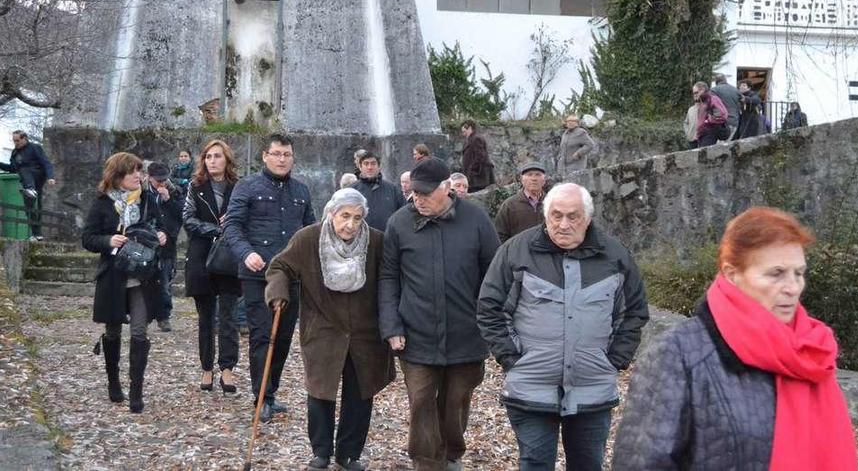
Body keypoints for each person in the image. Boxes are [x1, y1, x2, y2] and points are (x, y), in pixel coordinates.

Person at [612, 207, 858, 470]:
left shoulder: (812, 351)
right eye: (776, 273)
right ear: (732, 275)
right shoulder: (679, 353)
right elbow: (641, 463)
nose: (793, 287)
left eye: (798, 273)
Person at [478, 183, 649, 471]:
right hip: (531, 386)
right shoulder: (516, 252)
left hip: (592, 388)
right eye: (556, 216)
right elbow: (490, 308)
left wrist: (615, 359)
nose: (564, 224)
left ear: (588, 218)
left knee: (587, 464)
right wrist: (512, 358)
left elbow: (633, 312)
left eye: (573, 216)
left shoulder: (615, 256)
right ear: (546, 217)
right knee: (535, 463)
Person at [379, 157, 500, 471]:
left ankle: (451, 454)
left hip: (466, 333)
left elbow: (495, 275)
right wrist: (391, 325)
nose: (418, 199)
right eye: (415, 193)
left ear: (447, 188)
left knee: (456, 399)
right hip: (416, 332)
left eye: (426, 193)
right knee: (421, 401)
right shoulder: (399, 223)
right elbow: (388, 277)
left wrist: (488, 322)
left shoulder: (476, 220)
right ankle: (427, 462)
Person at [265, 188, 395, 471]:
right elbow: (280, 267)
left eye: (357, 218)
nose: (350, 224)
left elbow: (391, 277)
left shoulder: (376, 242)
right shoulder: (308, 239)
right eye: (344, 216)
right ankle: (321, 452)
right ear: (331, 214)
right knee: (321, 391)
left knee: (360, 394)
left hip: (365, 332)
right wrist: (278, 293)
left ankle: (349, 454)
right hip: (323, 328)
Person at [225, 133, 316, 422]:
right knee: (263, 336)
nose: (282, 159)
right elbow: (232, 227)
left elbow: (310, 231)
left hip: (292, 277)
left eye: (286, 154)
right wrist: (245, 253)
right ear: (265, 155)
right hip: (257, 275)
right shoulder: (246, 186)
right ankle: (260, 396)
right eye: (276, 153)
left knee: (285, 337)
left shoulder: (301, 191)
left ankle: (271, 391)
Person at [82, 152, 168, 413]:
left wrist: (161, 236)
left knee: (140, 332)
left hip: (143, 276)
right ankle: (113, 382)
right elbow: (88, 238)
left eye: (139, 171)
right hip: (113, 276)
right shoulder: (102, 204)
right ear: (117, 175)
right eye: (132, 172)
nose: (137, 176)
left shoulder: (146, 201)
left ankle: (136, 391)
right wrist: (109, 241)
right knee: (113, 331)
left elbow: (160, 227)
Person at [183, 140, 241, 394]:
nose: (212, 161)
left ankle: (227, 369)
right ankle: (207, 367)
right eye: (208, 156)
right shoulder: (196, 187)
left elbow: (247, 217)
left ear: (226, 160)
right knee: (205, 318)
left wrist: (233, 222)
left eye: (217, 156)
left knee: (228, 317)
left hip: (229, 257)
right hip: (201, 256)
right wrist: (216, 229)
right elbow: (188, 219)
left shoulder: (238, 188)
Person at [144, 162, 183, 332]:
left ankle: (164, 316)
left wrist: (168, 200)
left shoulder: (175, 191)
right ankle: (144, 315)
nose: (161, 183)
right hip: (146, 242)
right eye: (157, 180)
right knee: (145, 281)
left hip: (168, 243)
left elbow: (182, 214)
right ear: (149, 178)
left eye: (164, 180)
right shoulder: (142, 193)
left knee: (165, 281)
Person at [0, 130, 56, 240]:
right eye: (14, 141)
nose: (16, 143)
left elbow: (46, 162)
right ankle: (37, 234)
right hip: (26, 181)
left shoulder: (34, 147)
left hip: (38, 175)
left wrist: (50, 177)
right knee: (30, 207)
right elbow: (13, 169)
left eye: (18, 140)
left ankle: (31, 189)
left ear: (24, 138)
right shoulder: (15, 153)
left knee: (24, 169)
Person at [350, 151, 405, 232]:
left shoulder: (393, 190)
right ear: (360, 167)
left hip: (387, 240)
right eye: (366, 164)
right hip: (358, 239)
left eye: (373, 163)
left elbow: (403, 215)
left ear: (379, 167)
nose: (369, 167)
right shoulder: (352, 191)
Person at [494, 162, 547, 243]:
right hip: (519, 253)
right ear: (522, 180)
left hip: (547, 252)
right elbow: (499, 235)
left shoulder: (552, 203)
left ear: (544, 181)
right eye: (529, 174)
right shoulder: (510, 205)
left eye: (538, 175)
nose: (534, 178)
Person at [460, 120, 494, 193]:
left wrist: (472, 170)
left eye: (464, 131)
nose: (463, 134)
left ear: (470, 128)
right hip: (474, 177)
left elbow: (480, 156)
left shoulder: (476, 139)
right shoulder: (470, 139)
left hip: (478, 177)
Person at [692, 81, 729, 148]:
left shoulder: (713, 99)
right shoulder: (702, 102)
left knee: (705, 156)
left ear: (702, 90)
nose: (695, 95)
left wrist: (708, 120)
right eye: (694, 93)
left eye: (696, 92)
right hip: (703, 134)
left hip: (709, 132)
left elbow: (722, 115)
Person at [711, 74, 741, 142]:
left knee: (718, 148)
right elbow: (741, 103)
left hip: (722, 123)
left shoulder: (714, 90)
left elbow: (713, 106)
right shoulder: (735, 90)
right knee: (726, 146)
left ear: (716, 81)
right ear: (725, 80)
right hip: (734, 122)